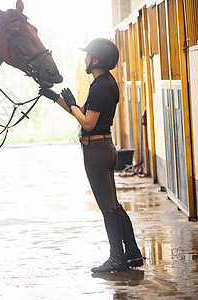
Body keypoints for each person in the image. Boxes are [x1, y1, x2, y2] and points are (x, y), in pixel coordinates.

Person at [39, 38, 144, 273]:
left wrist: (74, 104)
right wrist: (55, 97)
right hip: (105, 148)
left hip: (96, 151)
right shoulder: (106, 82)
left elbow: (87, 122)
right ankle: (133, 253)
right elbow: (82, 112)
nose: (84, 59)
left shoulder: (99, 87)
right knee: (113, 206)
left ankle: (117, 257)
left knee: (108, 208)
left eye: (87, 55)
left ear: (96, 60)